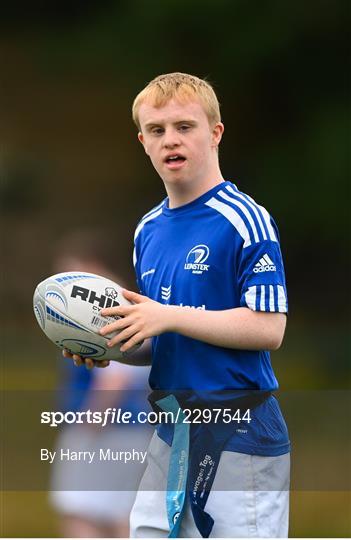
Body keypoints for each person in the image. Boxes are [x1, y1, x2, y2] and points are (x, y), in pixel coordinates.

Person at [66, 72, 290, 538]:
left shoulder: (245, 219)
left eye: (185, 126)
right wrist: (106, 344)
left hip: (238, 433)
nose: (171, 139)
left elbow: (269, 328)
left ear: (215, 133)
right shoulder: (147, 229)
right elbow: (161, 339)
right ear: (143, 141)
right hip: (170, 431)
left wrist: (166, 315)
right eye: (157, 130)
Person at [50, 230, 151, 538]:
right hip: (135, 430)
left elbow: (116, 378)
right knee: (121, 518)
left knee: (80, 516)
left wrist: (87, 429)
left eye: (65, 273)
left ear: (89, 267)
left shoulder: (102, 308)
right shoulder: (133, 303)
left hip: (106, 432)